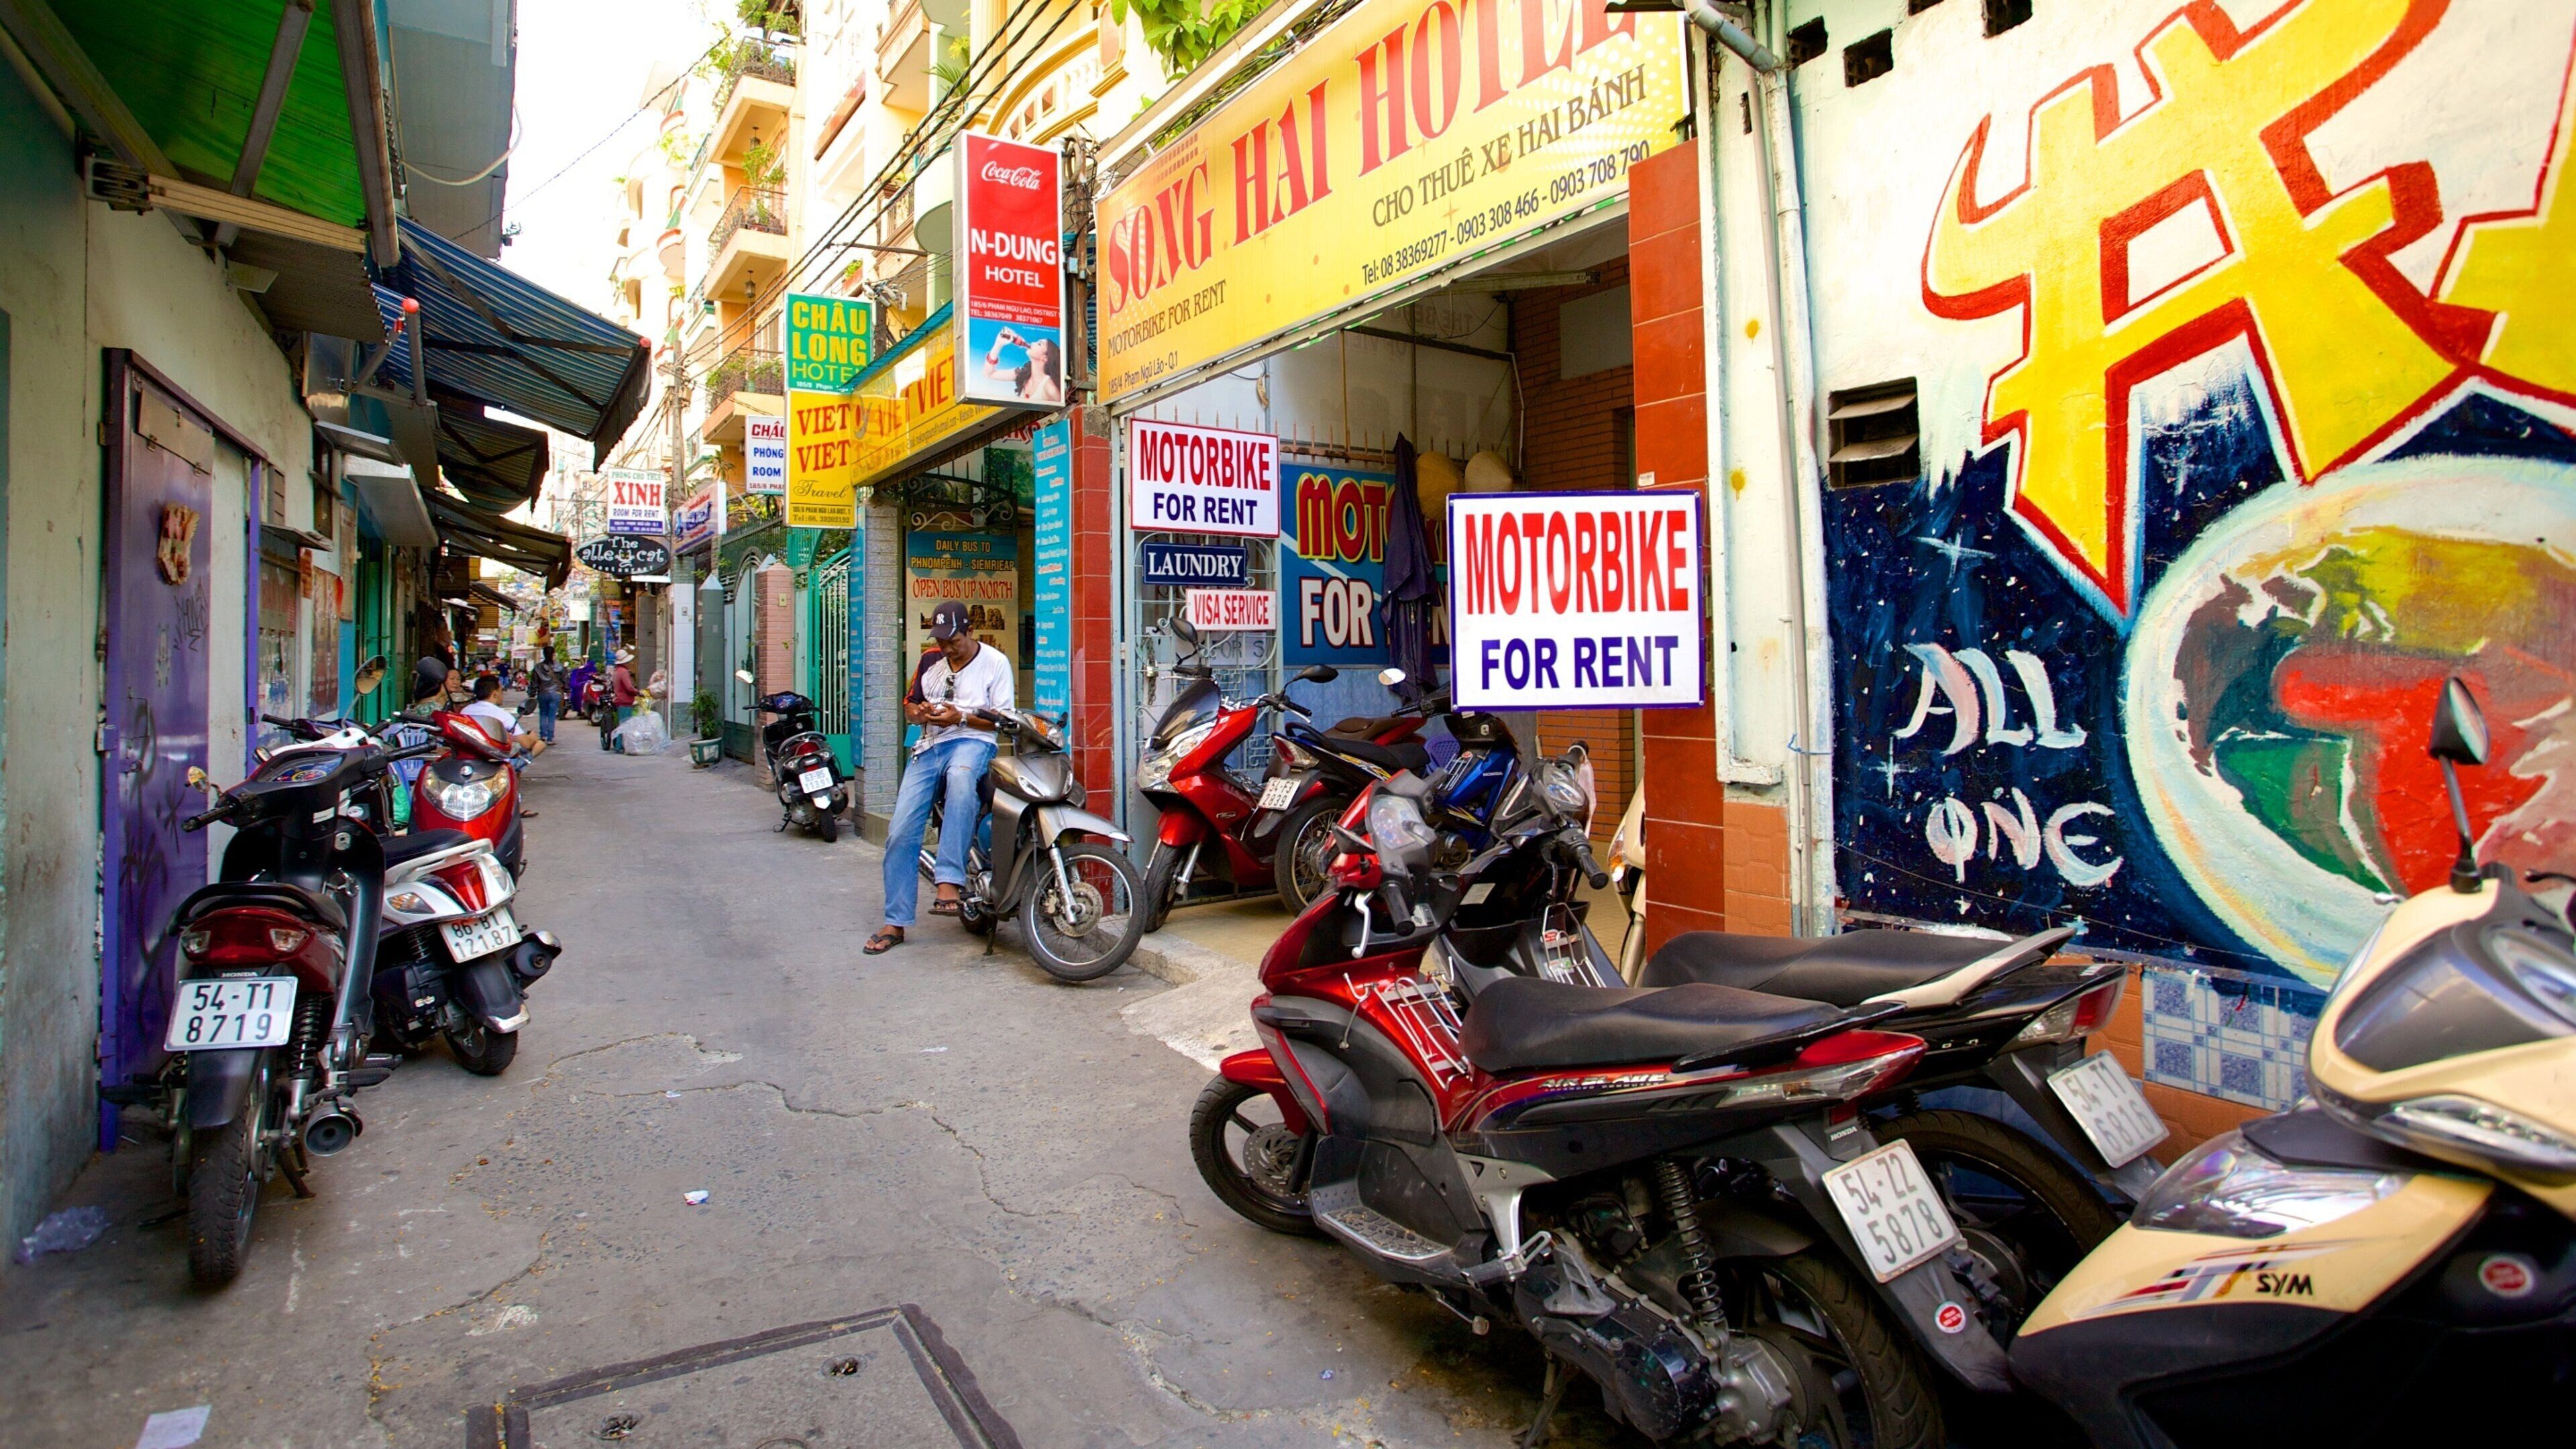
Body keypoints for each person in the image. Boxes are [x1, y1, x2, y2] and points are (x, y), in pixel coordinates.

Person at [866, 600, 1015, 955]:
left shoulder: (995, 663)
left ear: (970, 632)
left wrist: (959, 719)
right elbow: (909, 703)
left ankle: (949, 880)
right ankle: (895, 921)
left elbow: (1002, 719)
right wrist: (917, 713)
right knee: (901, 830)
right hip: (929, 747)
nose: (948, 648)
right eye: (942, 640)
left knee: (962, 781)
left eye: (954, 640)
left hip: (972, 742)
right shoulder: (930, 661)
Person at [602, 648, 639, 751]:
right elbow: (629, 688)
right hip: (625, 701)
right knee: (625, 725)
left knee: (622, 725)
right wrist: (638, 692)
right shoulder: (624, 672)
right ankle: (619, 746)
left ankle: (619, 746)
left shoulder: (617, 671)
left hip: (619, 700)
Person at [528, 647, 564, 744]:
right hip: (556, 693)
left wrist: (532, 694)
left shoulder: (538, 667)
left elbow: (534, 683)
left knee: (543, 714)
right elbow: (565, 681)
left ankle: (543, 736)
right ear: (553, 654)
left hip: (542, 693)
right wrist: (567, 690)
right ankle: (550, 738)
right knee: (552, 715)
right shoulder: (559, 666)